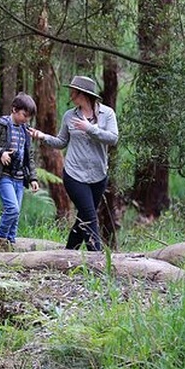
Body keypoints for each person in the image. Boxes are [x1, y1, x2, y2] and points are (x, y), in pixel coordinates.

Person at [29, 76, 118, 251]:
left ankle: (69, 253)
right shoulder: (69, 116)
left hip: (99, 175)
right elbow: (62, 142)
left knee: (83, 216)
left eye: (73, 91)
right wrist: (43, 136)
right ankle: (97, 259)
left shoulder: (107, 114)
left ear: (82, 94)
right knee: (90, 216)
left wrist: (89, 129)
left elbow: (113, 139)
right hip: (74, 175)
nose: (70, 94)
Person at [0, 93, 40, 251]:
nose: (26, 119)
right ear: (14, 109)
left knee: (16, 213)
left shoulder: (25, 131)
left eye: (28, 117)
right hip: (2, 174)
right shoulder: (0, 125)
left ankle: (10, 244)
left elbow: (29, 156)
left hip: (19, 177)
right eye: (24, 115)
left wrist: (33, 178)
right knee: (12, 208)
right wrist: (1, 153)